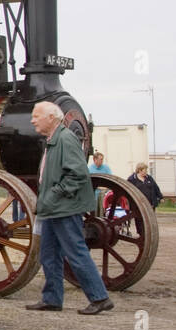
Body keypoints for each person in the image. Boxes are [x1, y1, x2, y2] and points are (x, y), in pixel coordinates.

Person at [25, 102, 114, 314]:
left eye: (36, 116)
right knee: (49, 254)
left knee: (76, 253)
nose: (32, 120)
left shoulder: (65, 139)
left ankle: (100, 298)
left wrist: (54, 195)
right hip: (53, 208)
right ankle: (52, 299)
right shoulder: (53, 140)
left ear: (51, 118)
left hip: (63, 208)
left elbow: (77, 174)